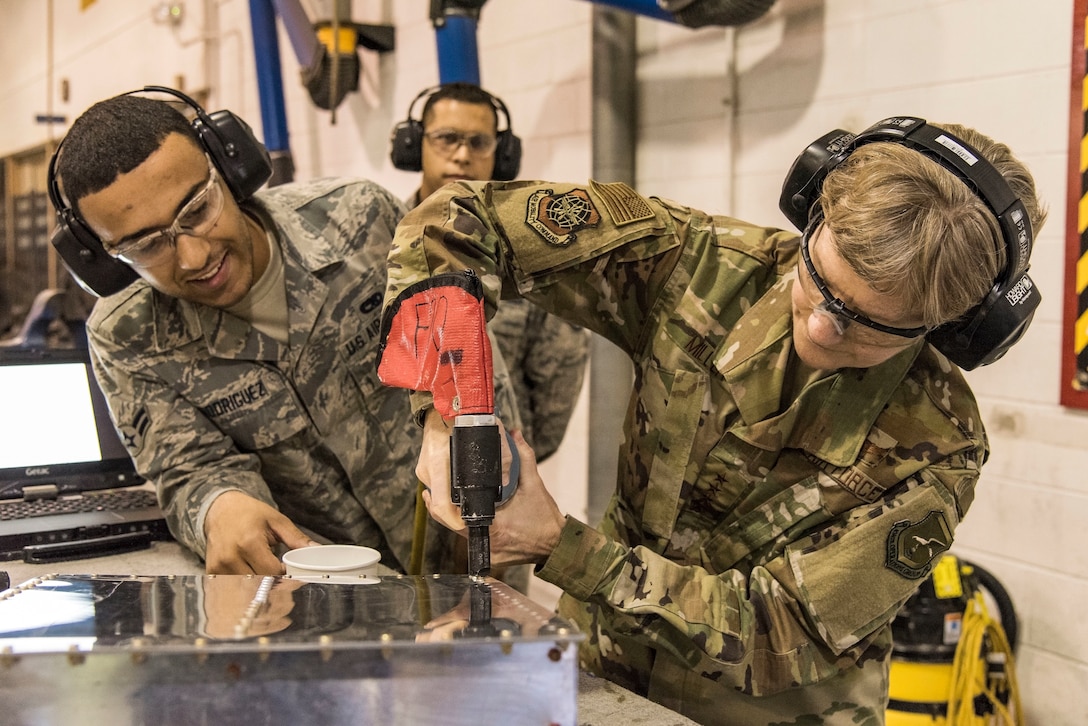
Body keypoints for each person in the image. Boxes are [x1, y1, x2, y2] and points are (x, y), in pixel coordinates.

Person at [378, 117, 1047, 724]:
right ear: (810, 210)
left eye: (865, 325)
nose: (819, 324)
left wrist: (560, 546)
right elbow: (456, 217)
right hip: (601, 680)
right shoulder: (698, 264)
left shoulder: (939, 446)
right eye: (818, 276)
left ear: (954, 329)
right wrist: (448, 410)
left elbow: (781, 633)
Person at [49, 90, 467, 576]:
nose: (193, 257)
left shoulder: (361, 220)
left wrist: (489, 535)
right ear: (101, 262)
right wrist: (219, 507)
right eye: (145, 246)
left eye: (197, 210)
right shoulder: (127, 336)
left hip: (471, 545)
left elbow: (468, 369)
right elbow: (189, 467)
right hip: (323, 594)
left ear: (231, 169)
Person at [395, 82, 588, 462]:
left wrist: (506, 457)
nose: (462, 155)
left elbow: (556, 385)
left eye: (479, 142)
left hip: (494, 481)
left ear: (500, 154)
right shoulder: (379, 243)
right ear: (414, 144)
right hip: (390, 483)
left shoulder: (530, 256)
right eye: (446, 139)